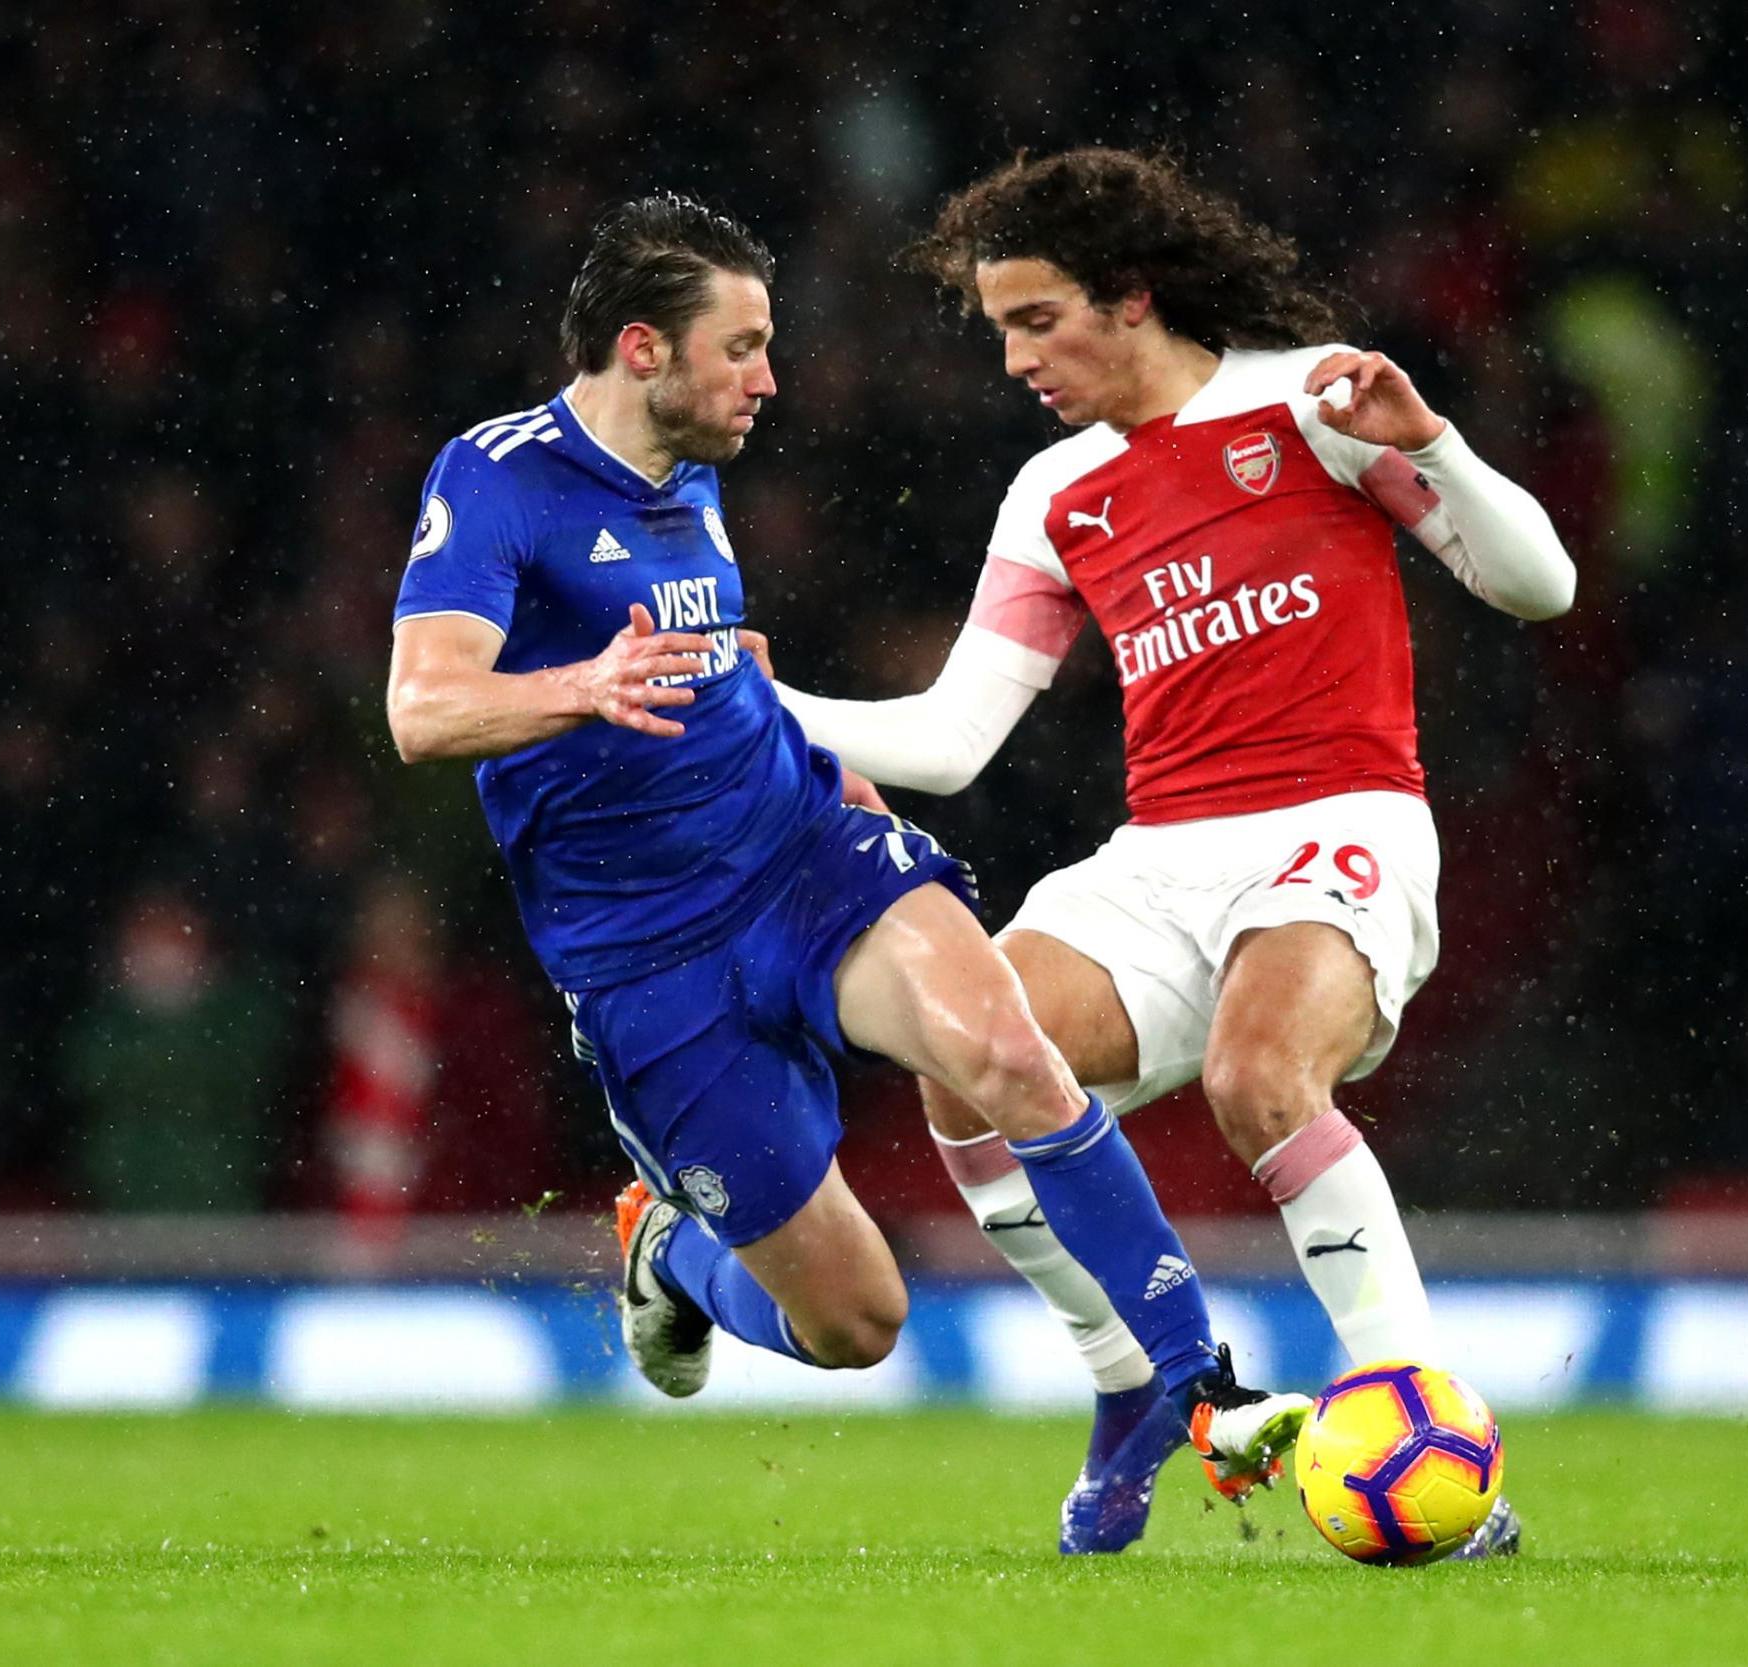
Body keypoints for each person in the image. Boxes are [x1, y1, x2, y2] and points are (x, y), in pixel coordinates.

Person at [384, 193, 1309, 1522]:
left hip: (796, 851)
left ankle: (1197, 1384)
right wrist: (577, 687)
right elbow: (424, 709)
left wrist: (787, 739)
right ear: (643, 350)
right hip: (644, 954)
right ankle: (673, 1258)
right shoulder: (494, 478)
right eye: (741, 347)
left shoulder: (690, 475)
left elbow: (700, 669)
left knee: (1002, 1052)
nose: (768, 379)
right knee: (854, 1322)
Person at [767, 149, 1575, 1555]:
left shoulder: (1315, 398)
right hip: (1161, 860)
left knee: (1262, 1076)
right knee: (963, 1054)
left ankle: (1422, 1429)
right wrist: (750, 701)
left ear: (1129, 300)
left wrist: (1431, 443)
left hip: (1335, 824)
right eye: (999, 329)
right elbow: (955, 739)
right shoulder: (1056, 493)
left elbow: (1539, 587)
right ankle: (1130, 1379)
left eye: (1035, 321)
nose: (1016, 358)